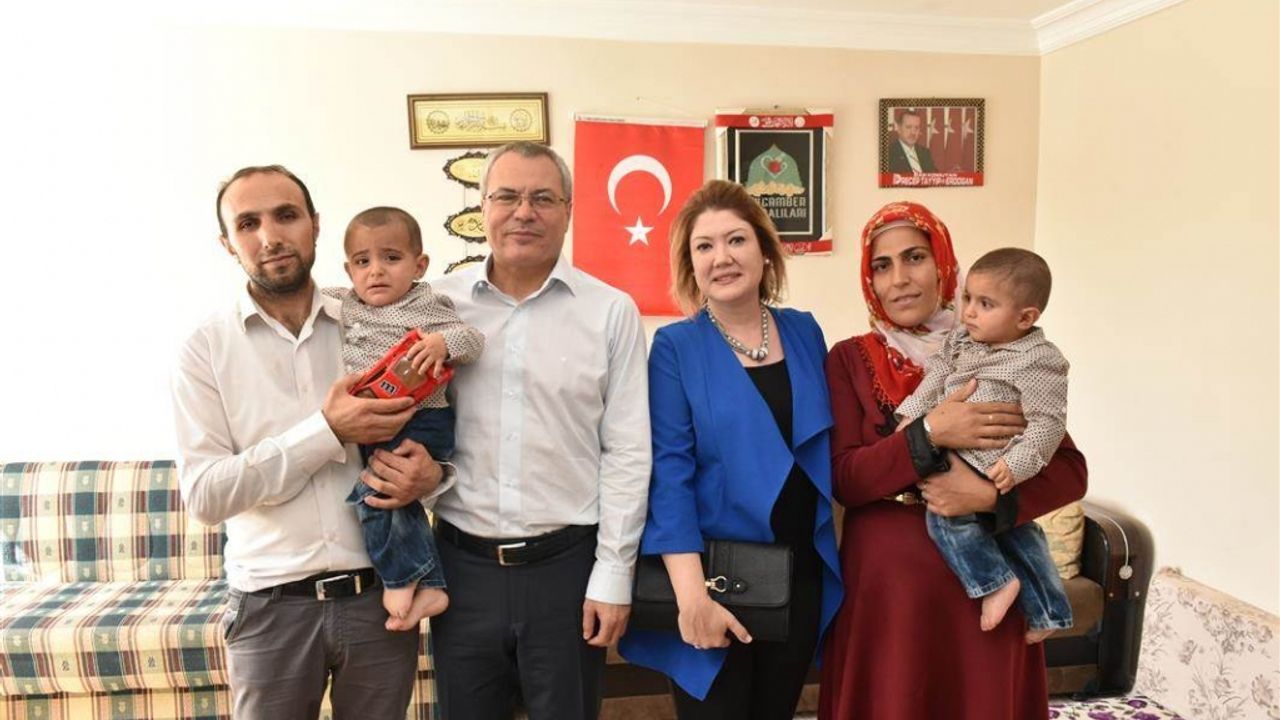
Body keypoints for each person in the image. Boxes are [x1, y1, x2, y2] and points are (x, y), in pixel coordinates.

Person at [172, 165, 451, 719]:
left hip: (380, 601)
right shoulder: (204, 349)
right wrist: (327, 431)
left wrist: (435, 476)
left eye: (286, 215)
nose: (270, 236)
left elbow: (436, 426)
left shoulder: (376, 322)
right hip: (270, 610)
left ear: (315, 225)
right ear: (228, 243)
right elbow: (205, 496)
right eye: (248, 223)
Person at [817, 201, 1088, 720]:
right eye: (882, 266)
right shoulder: (849, 359)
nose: (900, 279)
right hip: (889, 594)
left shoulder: (1005, 349)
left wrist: (987, 496)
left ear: (944, 264)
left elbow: (1069, 472)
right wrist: (930, 432)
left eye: (915, 257)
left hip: (987, 590)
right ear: (869, 281)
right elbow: (846, 478)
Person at [429, 141, 651, 720]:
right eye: (507, 196)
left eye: (543, 198)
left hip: (567, 572)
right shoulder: (439, 307)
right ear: (483, 207)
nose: (523, 212)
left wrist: (614, 574)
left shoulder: (610, 311)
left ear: (568, 211)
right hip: (461, 570)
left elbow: (627, 451)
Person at [618, 179, 843, 720]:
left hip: (800, 577)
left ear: (764, 252)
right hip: (714, 578)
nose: (722, 257)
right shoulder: (675, 347)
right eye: (705, 246)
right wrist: (692, 598)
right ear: (690, 265)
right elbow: (668, 477)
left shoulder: (805, 331)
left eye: (736, 240)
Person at [895, 247, 1073, 644]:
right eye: (968, 298)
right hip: (958, 450)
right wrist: (911, 418)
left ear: (1025, 318)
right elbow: (937, 377)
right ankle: (1050, 610)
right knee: (1020, 534)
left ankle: (995, 582)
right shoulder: (962, 340)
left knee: (946, 519)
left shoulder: (1038, 361)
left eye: (986, 304)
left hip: (994, 459)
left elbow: (1048, 423)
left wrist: (1016, 466)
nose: (970, 312)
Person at [322, 206, 484, 631]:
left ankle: (405, 578)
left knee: (375, 494)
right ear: (349, 270)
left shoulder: (428, 304)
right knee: (391, 496)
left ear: (419, 265)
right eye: (362, 261)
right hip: (371, 422)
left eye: (391, 258)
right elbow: (301, 298)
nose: (376, 271)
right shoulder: (342, 303)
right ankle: (429, 584)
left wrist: (442, 344)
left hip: (420, 420)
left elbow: (473, 340)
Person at [886, 109, 937, 174]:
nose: (913, 133)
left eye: (916, 128)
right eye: (908, 127)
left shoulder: (925, 153)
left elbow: (934, 176)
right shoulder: (888, 153)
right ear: (899, 129)